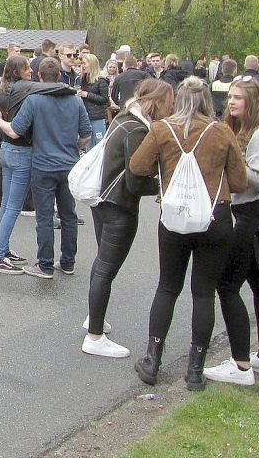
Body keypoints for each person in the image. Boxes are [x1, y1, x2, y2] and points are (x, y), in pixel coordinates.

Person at [129, 76, 247, 391]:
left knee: (167, 287)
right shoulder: (221, 132)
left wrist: (166, 173)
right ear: (208, 101)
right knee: (203, 292)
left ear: (179, 100)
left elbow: (138, 165)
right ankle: (195, 369)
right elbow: (239, 182)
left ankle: (153, 360)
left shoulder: (162, 129)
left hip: (174, 216)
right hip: (214, 216)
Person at [81, 79, 173, 358]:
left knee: (101, 267)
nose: (171, 110)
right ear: (156, 103)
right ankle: (94, 336)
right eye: (169, 104)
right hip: (119, 207)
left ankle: (94, 319)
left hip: (103, 201)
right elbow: (134, 182)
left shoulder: (123, 118)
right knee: (106, 270)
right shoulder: (136, 130)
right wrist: (161, 185)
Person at [0, 57, 91, 279]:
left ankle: (45, 265)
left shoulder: (35, 100)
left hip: (42, 165)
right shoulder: (75, 100)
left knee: (45, 217)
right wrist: (72, 146)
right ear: (59, 76)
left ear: (39, 76)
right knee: (69, 215)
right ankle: (67, 262)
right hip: (68, 165)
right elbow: (86, 136)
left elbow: (15, 131)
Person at [204, 76, 259, 384]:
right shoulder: (240, 131)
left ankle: (241, 364)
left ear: (252, 103)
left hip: (252, 216)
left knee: (228, 285)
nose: (231, 102)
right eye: (230, 96)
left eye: (238, 98)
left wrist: (235, 165)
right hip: (245, 212)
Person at [0, 56, 67, 275]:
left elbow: (1, 115)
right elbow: (55, 88)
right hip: (22, 151)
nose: (31, 71)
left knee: (6, 205)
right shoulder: (29, 90)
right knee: (14, 205)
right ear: (18, 71)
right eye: (26, 68)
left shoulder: (4, 91)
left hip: (6, 149)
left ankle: (3, 249)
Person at [77, 54, 110, 148]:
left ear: (91, 64)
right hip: (86, 117)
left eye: (84, 63)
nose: (82, 66)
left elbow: (105, 100)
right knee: (88, 145)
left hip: (97, 117)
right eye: (81, 64)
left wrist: (87, 94)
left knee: (99, 144)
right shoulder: (82, 80)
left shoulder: (101, 80)